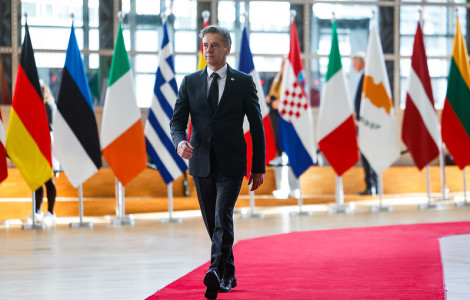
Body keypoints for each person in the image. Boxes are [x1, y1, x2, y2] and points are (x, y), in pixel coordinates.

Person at [170, 25, 265, 300]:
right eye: (205, 45)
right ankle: (229, 271)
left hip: (233, 164)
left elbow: (257, 126)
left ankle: (215, 272)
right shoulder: (190, 82)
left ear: (227, 48)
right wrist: (179, 142)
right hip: (200, 164)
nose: (208, 50)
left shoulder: (244, 82)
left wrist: (258, 166)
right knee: (213, 223)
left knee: (223, 217)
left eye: (214, 45)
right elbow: (177, 121)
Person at [22, 80, 57, 225]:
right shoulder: (33, 106)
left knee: (48, 179)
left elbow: (47, 126)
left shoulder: (48, 106)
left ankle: (51, 212)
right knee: (37, 179)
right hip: (37, 146)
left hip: (47, 145)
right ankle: (37, 211)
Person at [353, 52, 377, 195]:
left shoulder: (368, 78)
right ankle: (370, 185)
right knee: (365, 154)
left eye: (356, 62)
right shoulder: (363, 77)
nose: (354, 66)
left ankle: (372, 185)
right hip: (361, 122)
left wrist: (363, 119)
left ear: (363, 62)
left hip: (367, 124)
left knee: (369, 154)